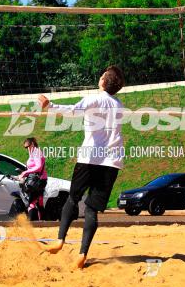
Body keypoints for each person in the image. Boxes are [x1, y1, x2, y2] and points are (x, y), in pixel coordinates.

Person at [38, 65, 125, 270]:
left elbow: (72, 111)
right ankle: (83, 254)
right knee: (92, 209)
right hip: (111, 162)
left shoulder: (94, 98)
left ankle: (60, 240)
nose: (100, 77)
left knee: (73, 198)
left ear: (104, 81)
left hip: (89, 158)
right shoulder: (119, 105)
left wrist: (49, 106)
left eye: (102, 75)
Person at [19, 137, 48, 221]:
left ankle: (30, 224)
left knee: (31, 202)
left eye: (28, 146)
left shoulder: (36, 152)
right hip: (39, 179)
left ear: (32, 144)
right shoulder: (33, 152)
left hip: (38, 180)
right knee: (39, 203)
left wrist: (25, 173)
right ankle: (44, 222)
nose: (27, 148)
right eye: (25, 147)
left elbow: (38, 167)